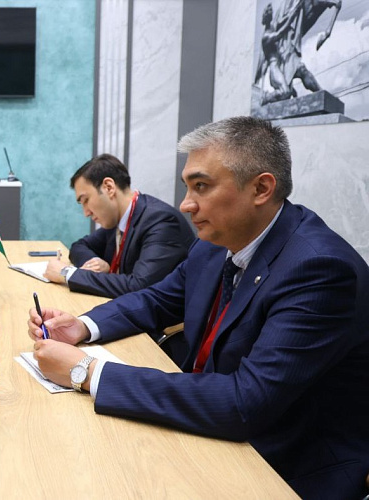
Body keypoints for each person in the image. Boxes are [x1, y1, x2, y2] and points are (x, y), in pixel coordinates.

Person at [27, 116, 369, 499]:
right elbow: (157, 299)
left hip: (283, 466)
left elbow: (244, 402)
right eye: (187, 187)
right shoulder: (214, 243)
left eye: (201, 187)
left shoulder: (319, 269)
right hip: (214, 429)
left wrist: (88, 372)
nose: (185, 204)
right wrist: (83, 326)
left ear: (261, 188)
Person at [44, 154, 194, 299]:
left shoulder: (161, 220)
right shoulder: (117, 220)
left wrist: (67, 273)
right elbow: (79, 246)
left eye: (86, 200)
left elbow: (139, 287)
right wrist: (95, 263)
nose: (86, 213)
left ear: (109, 187)